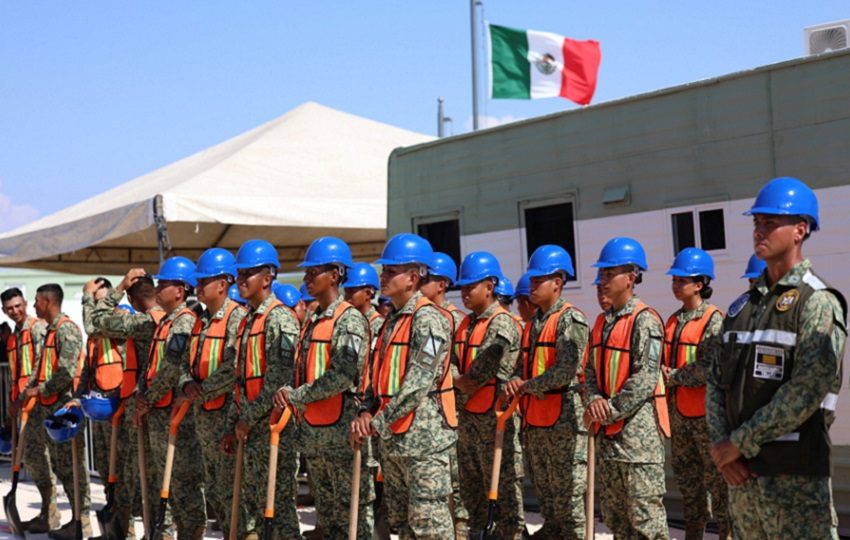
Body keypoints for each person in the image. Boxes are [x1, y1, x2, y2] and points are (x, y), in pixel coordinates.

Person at [706, 177, 847, 539]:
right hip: (743, 484)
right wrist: (724, 453)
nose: (759, 230)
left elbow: (806, 390)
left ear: (800, 230)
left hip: (795, 486)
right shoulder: (742, 307)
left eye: (770, 222)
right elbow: (716, 382)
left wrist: (738, 443)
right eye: (756, 221)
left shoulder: (817, 302)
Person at [351, 233, 457, 539]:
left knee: (429, 527)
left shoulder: (429, 320)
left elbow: (418, 382)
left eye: (390, 271)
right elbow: (377, 377)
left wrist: (378, 421)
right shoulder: (390, 322)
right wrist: (365, 411)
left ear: (412, 278)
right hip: (394, 443)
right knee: (403, 526)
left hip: (424, 445)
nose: (382, 277)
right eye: (383, 270)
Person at [274, 236, 374, 539]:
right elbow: (303, 369)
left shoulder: (349, 320)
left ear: (334, 275)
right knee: (328, 521)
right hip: (315, 436)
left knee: (353, 520)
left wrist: (297, 395)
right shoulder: (313, 320)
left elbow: (342, 375)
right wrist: (287, 390)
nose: (306, 277)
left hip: (342, 437)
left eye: (313, 271)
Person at [583, 237, 670, 540]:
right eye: (602, 274)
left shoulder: (645, 321)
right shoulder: (602, 322)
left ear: (631, 277)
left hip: (637, 444)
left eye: (609, 273)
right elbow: (590, 371)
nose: (603, 280)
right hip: (609, 442)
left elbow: (644, 379)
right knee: (617, 521)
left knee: (646, 524)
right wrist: (593, 399)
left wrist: (608, 410)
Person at [504, 245, 589, 539]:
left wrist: (527, 386)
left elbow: (565, 371)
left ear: (557, 282)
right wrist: (514, 381)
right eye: (532, 279)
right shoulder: (532, 324)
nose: (532, 285)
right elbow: (521, 366)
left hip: (564, 426)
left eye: (539, 280)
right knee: (549, 504)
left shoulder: (570, 320)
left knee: (570, 505)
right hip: (536, 425)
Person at [222, 239, 302, 540]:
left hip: (273, 429)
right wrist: (233, 424)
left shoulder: (279, 318)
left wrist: (248, 419)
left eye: (248, 274)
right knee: (257, 508)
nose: (240, 280)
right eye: (239, 274)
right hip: (250, 430)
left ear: (267, 279)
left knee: (279, 512)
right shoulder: (247, 321)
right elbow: (241, 381)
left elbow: (278, 381)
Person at [452, 251, 524, 539]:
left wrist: (458, 380)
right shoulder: (466, 323)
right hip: (468, 422)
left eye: (471, 286)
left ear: (490, 287)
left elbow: (477, 375)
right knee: (472, 494)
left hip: (495, 423)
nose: (465, 293)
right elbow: (449, 364)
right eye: (463, 287)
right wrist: (457, 379)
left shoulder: (501, 323)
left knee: (503, 497)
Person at [178, 248, 247, 536]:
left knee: (235, 494)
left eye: (204, 281)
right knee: (217, 492)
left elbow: (235, 367)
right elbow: (186, 362)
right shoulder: (200, 320)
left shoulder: (237, 318)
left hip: (228, 419)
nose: (198, 286)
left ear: (222, 284)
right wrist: (186, 383)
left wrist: (201, 390)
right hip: (204, 420)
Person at [91, 271, 167, 534]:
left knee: (142, 475)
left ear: (132, 301)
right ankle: (154, 531)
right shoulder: (172, 321)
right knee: (157, 478)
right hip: (163, 406)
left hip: (145, 407)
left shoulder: (142, 324)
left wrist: (120, 286)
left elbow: (96, 321)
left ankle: (152, 531)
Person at [661, 248, 729, 539]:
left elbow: (709, 367)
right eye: (674, 280)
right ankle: (693, 533)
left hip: (707, 421)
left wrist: (674, 377)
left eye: (682, 280)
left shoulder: (714, 320)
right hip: (679, 420)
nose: (675, 285)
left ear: (699, 284)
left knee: (719, 484)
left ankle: (727, 533)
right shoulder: (673, 321)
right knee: (689, 486)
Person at [22, 284, 90, 539]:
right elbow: (42, 367)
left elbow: (66, 371)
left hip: (65, 410)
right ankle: (72, 519)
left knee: (73, 467)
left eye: (37, 301)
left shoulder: (66, 329)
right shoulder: (50, 331)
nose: (34, 306)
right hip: (49, 408)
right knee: (61, 466)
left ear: (48, 301)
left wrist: (40, 389)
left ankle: (81, 520)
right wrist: (29, 391)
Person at [420, 251, 469, 538]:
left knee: (455, 480)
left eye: (427, 279)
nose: (420, 284)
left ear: (442, 285)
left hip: (452, 411)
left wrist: (449, 374)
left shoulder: (455, 320)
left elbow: (459, 365)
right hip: (430, 416)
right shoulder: (419, 316)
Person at [2, 287, 58, 533]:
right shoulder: (14, 336)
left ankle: (51, 513)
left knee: (41, 459)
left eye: (18, 306)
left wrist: (24, 396)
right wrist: (13, 405)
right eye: (9, 308)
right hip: (24, 406)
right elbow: (17, 374)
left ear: (25, 303)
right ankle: (47, 512)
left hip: (39, 404)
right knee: (33, 461)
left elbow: (39, 366)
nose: (15, 311)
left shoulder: (36, 328)